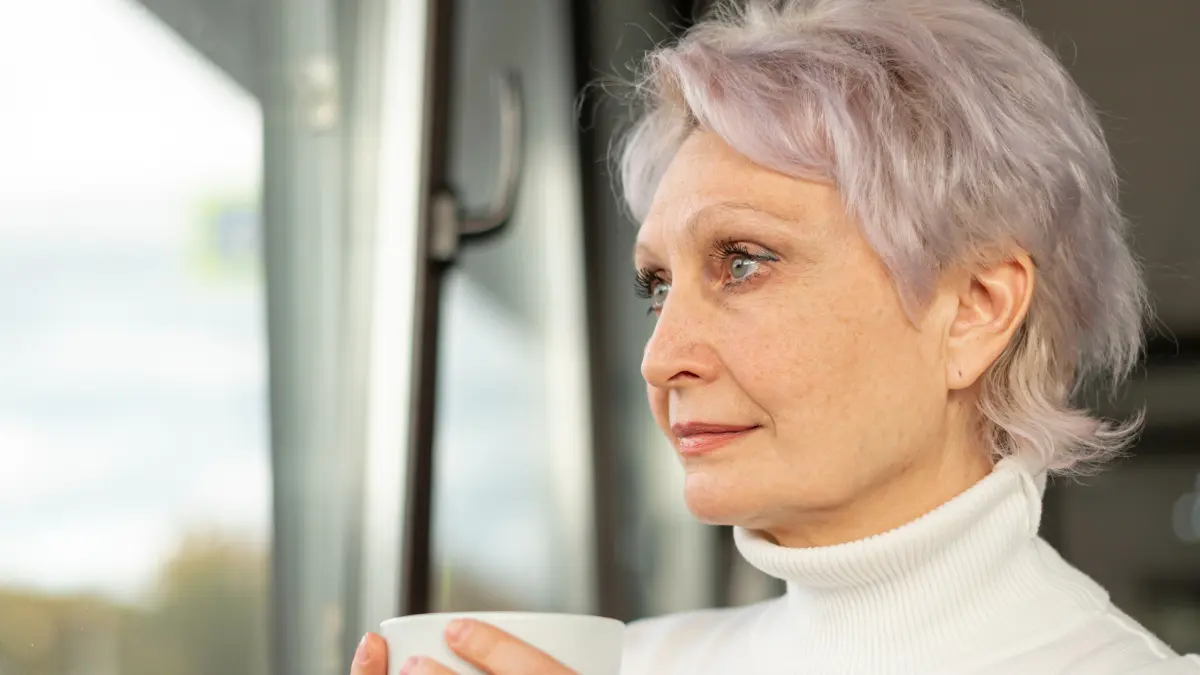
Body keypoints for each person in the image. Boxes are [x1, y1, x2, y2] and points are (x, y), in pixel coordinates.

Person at [349, 0, 1200, 673]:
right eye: (657, 286)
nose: (661, 355)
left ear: (976, 307)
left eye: (743, 262)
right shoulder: (634, 663)